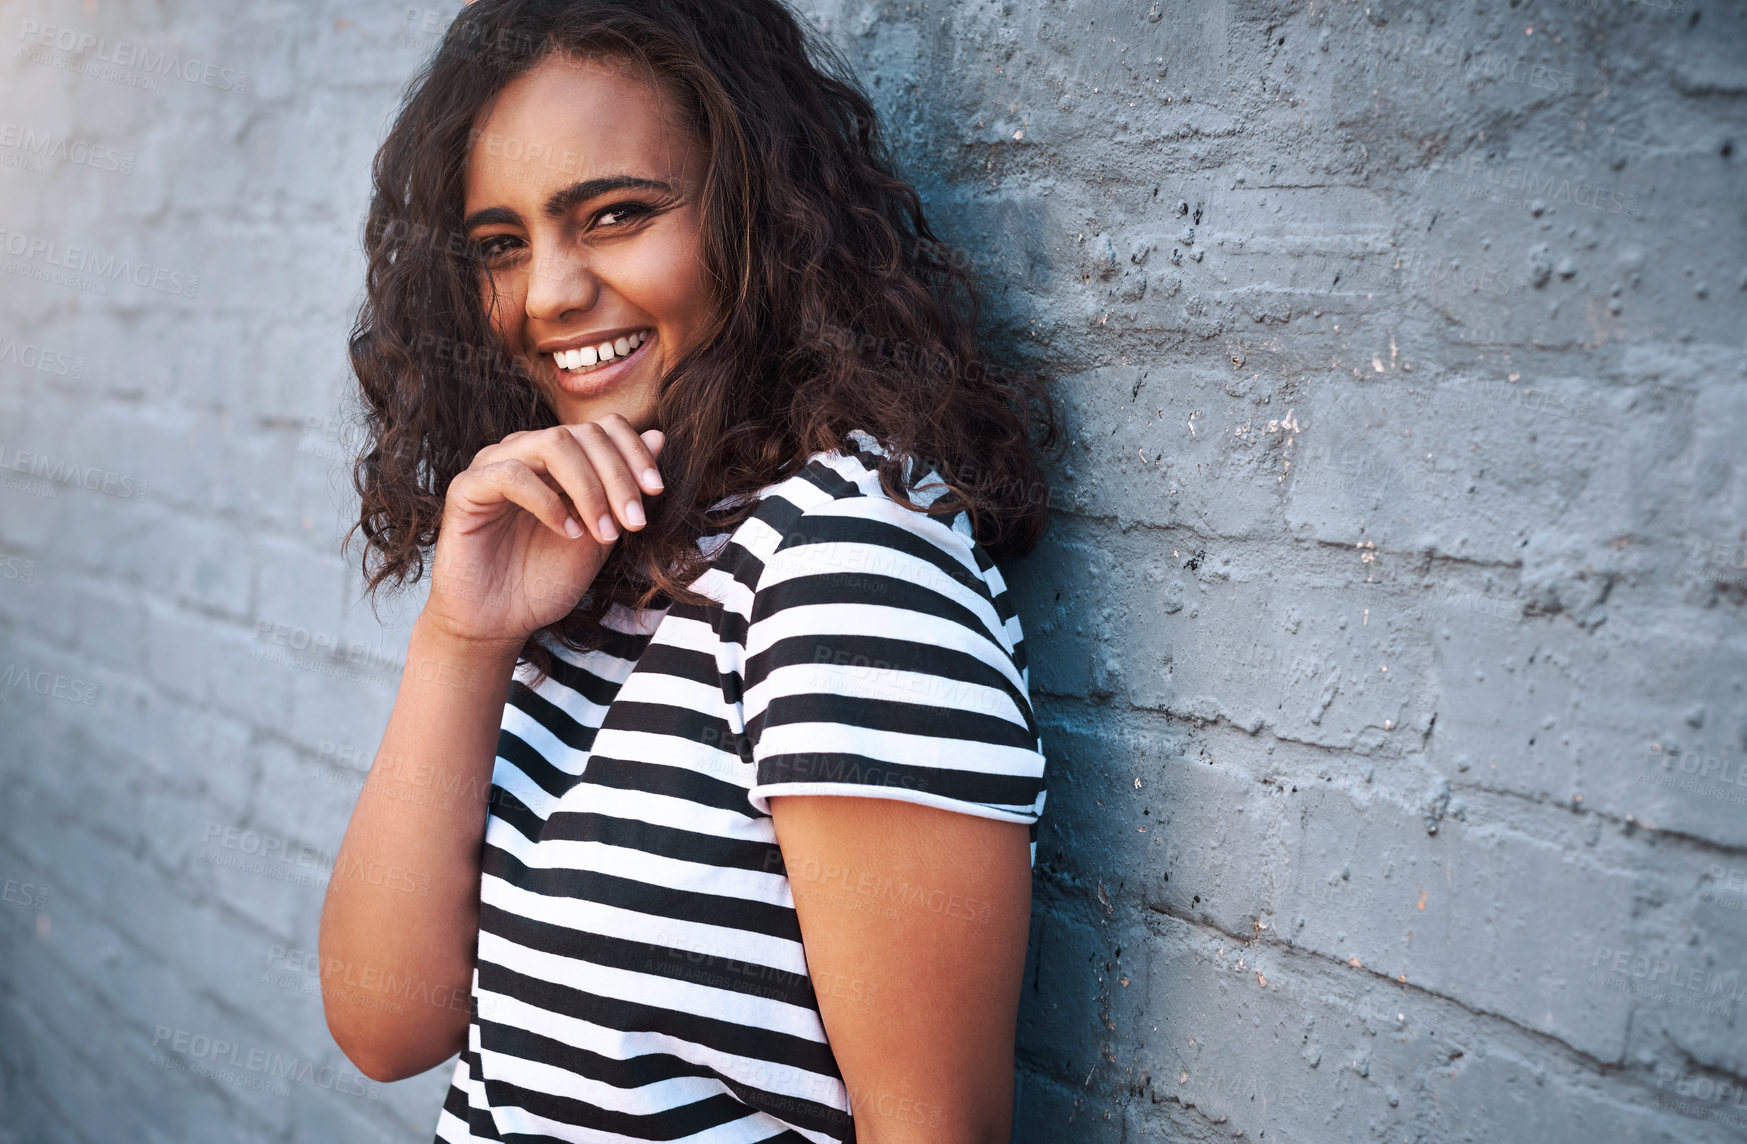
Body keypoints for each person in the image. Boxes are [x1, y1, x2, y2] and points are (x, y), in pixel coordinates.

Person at [318, 1, 1057, 1140]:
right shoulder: (599, 553)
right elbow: (386, 1026)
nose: (550, 293)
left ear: (756, 217)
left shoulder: (839, 565)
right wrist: (461, 641)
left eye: (614, 214)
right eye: (501, 245)